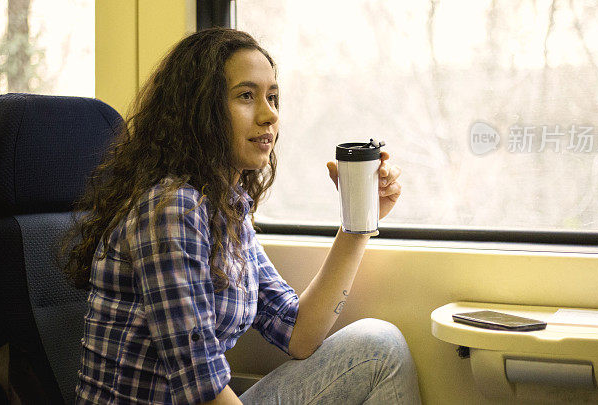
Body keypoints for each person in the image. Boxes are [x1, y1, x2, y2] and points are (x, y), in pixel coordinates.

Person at [60, 27, 422, 404]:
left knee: (379, 345)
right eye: (246, 96)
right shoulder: (171, 210)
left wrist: (359, 222)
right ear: (199, 111)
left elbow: (298, 333)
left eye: (273, 97)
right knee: (379, 351)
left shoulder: (226, 209)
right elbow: (200, 385)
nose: (270, 116)